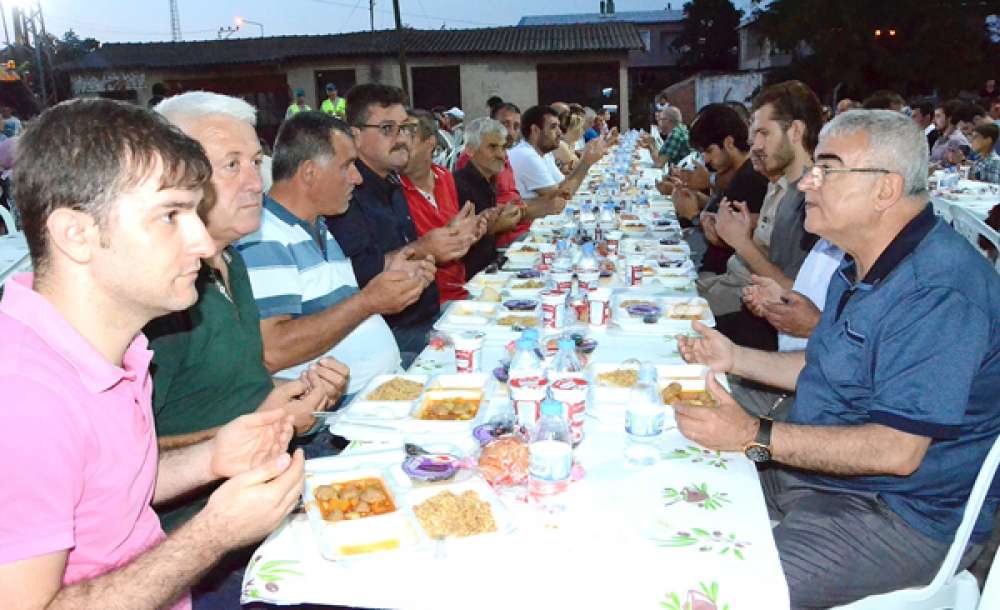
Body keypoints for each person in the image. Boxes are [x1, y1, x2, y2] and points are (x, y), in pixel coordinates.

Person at [676, 109, 1000, 608]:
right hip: (821, 479)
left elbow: (897, 451)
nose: (808, 181)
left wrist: (752, 436)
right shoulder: (864, 261)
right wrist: (733, 357)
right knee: (671, 475)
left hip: (895, 517)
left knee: (708, 590)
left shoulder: (938, 289)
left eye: (827, 168)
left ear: (885, 190)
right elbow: (823, 365)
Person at [0, 98, 303, 609]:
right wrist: (214, 532)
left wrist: (212, 459)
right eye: (171, 215)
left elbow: (97, 494)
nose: (205, 242)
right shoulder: (25, 398)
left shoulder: (118, 349)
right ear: (77, 234)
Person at [146, 92, 347, 538]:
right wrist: (265, 425)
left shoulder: (231, 261)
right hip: (201, 534)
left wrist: (298, 391)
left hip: (272, 486)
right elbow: (122, 463)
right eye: (232, 165)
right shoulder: (157, 294)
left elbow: (229, 384)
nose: (257, 182)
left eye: (257, 161)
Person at [237, 111, 431, 405]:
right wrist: (368, 301)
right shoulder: (264, 238)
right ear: (309, 173)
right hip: (334, 427)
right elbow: (272, 351)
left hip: (383, 396)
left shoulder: (319, 225)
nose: (357, 178)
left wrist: (391, 276)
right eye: (347, 166)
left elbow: (335, 311)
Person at [326, 84, 476, 364]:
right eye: (387, 129)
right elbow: (354, 276)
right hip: (390, 336)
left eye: (405, 128)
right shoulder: (346, 194)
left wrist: (450, 235)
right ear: (355, 135)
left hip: (428, 316)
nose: (401, 138)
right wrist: (423, 248)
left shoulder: (392, 182)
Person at [697, 80, 821, 324]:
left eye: (764, 133)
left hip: (752, 315)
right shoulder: (780, 185)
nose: (755, 145)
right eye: (755, 135)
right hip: (735, 291)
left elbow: (794, 294)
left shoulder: (812, 200)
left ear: (796, 131)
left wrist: (740, 241)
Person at [400, 109, 490, 303]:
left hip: (462, 290)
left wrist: (470, 234)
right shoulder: (392, 189)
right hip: (429, 303)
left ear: (430, 142)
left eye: (409, 135)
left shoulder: (444, 176)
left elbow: (453, 239)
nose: (401, 143)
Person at [671, 103, 769, 275]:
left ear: (729, 143)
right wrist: (695, 197)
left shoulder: (751, 178)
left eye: (709, 151)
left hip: (718, 273)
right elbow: (723, 211)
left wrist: (693, 216)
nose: (705, 159)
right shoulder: (734, 173)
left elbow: (730, 239)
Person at [455, 117, 524, 277]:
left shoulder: (489, 179)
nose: (501, 154)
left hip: (492, 268)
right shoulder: (460, 185)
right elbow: (461, 245)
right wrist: (496, 226)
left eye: (503, 147)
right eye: (493, 147)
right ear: (471, 150)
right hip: (474, 279)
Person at [507, 104, 608, 202]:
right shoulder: (527, 155)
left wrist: (585, 160)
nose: (560, 132)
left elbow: (562, 186)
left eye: (559, 126)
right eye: (553, 127)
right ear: (535, 130)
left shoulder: (544, 153)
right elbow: (561, 197)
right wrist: (586, 162)